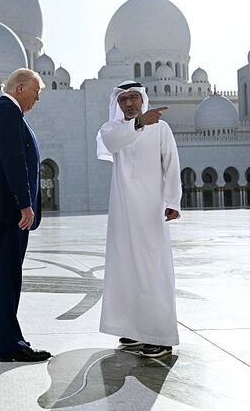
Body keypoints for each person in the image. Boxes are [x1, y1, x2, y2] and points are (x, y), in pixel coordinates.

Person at [96, 81, 182, 358]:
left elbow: (171, 163)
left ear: (142, 99)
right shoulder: (112, 129)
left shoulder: (161, 128)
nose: (129, 103)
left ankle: (160, 336)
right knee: (125, 270)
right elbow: (113, 142)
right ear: (117, 104)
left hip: (151, 211)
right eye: (124, 100)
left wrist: (173, 201)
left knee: (152, 269)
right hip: (123, 212)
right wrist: (138, 124)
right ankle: (133, 329)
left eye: (133, 98)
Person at [0, 69, 51, 362]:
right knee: (8, 276)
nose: (37, 99)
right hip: (9, 210)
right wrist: (24, 204)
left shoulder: (1, 111)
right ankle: (11, 345)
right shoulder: (7, 112)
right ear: (20, 88)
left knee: (2, 275)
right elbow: (14, 160)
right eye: (36, 92)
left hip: (2, 208)